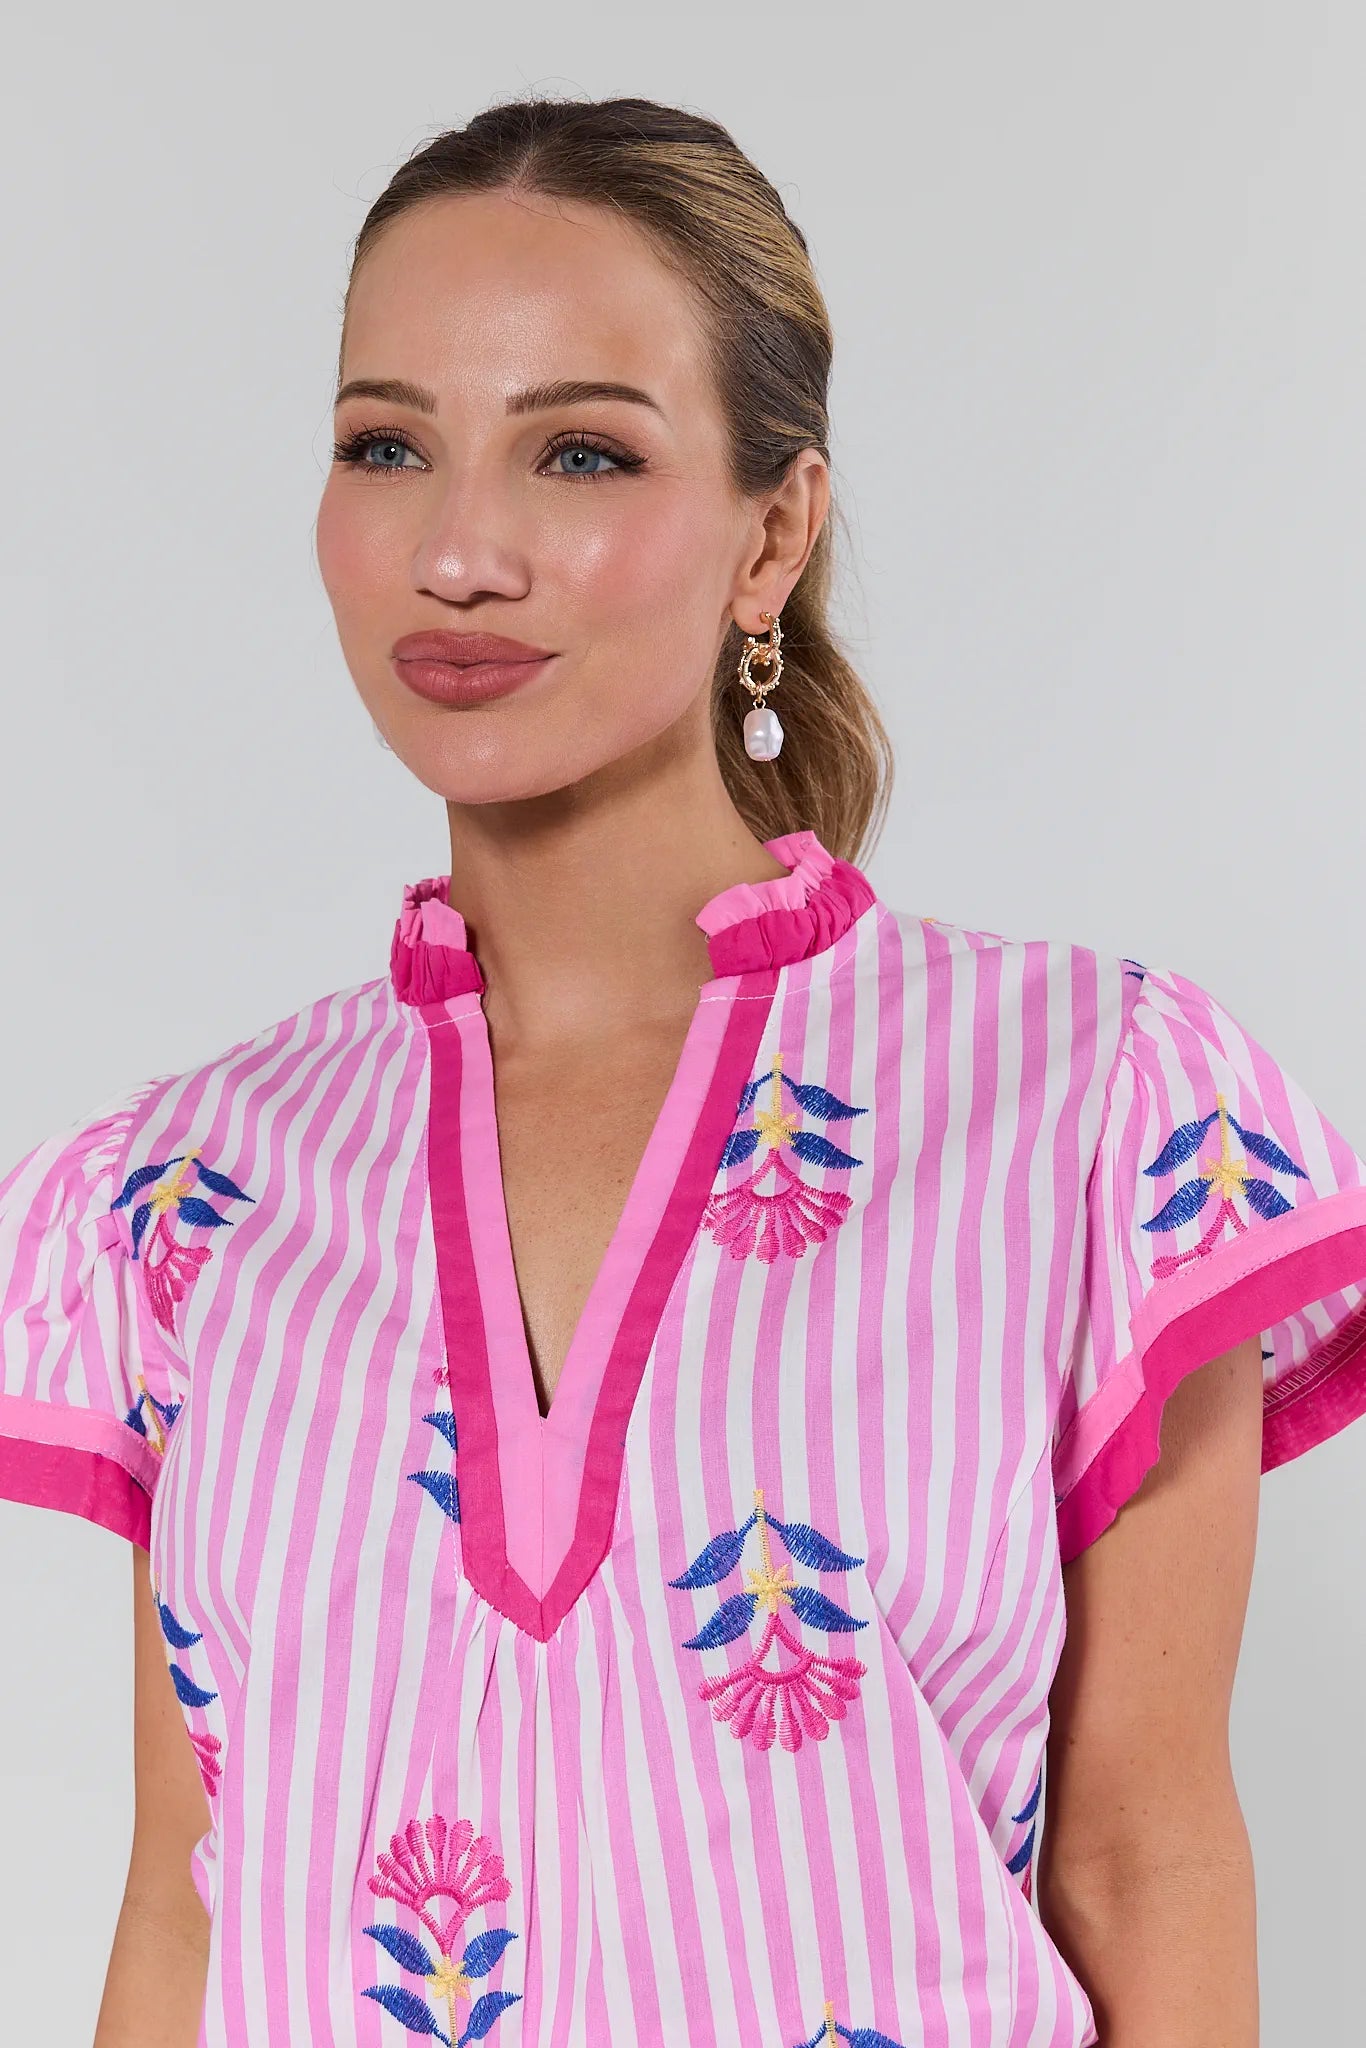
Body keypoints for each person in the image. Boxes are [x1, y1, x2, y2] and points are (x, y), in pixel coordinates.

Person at [3, 94, 1364, 2048]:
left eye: (577, 450)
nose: (459, 547)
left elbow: (1143, 1869)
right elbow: (182, 1909)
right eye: (389, 443)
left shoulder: (1096, 1116)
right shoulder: (190, 1191)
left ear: (773, 528)